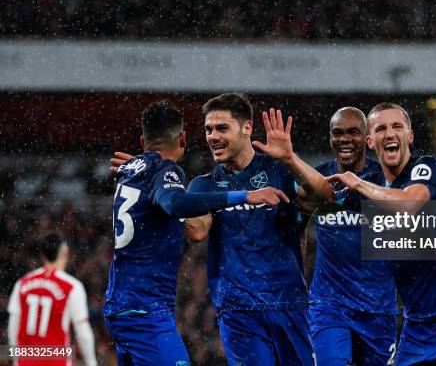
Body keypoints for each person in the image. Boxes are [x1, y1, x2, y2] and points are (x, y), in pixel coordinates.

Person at [256, 103, 436, 365]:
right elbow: (322, 194)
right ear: (371, 140)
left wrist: (358, 183)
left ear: (409, 136)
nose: (389, 134)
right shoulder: (370, 189)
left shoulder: (427, 168)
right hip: (416, 326)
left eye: (397, 127)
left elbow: (407, 204)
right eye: (381, 128)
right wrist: (290, 159)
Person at [104, 100, 288, 366]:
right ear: (182, 138)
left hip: (120, 306)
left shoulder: (132, 172)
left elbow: (195, 230)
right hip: (146, 308)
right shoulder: (166, 171)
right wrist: (245, 195)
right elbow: (174, 203)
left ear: (142, 139)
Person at [186, 93, 314, 365]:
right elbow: (196, 230)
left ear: (246, 128)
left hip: (288, 302)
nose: (212, 136)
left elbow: (321, 197)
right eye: (208, 129)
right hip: (238, 309)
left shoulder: (280, 171)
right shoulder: (204, 185)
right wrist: (165, 194)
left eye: (222, 128)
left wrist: (291, 159)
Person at [301, 107, 397, 366]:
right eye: (338, 133)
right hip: (329, 305)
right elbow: (297, 225)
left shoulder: (386, 181)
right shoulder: (319, 179)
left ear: (367, 139)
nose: (344, 139)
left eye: (353, 133)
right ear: (331, 138)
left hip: (377, 307)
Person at [8, 233, 97, 366]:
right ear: (65, 252)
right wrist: (91, 362)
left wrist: (16, 360)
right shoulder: (72, 287)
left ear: (42, 255)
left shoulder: (22, 283)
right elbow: (82, 332)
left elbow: (13, 326)